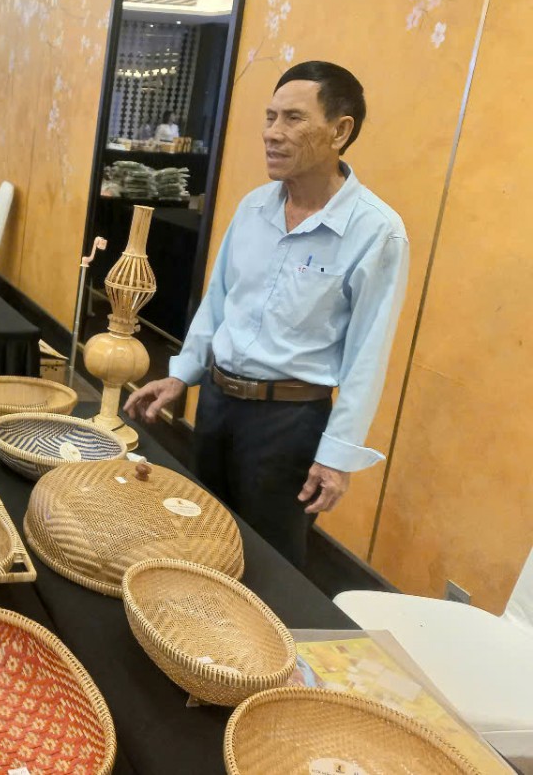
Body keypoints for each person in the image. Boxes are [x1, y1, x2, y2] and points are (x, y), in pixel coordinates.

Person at [125, 61, 409, 568]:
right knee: (196, 535)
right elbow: (219, 302)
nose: (272, 133)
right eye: (270, 116)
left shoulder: (376, 231)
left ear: (340, 131)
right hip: (217, 403)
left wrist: (337, 455)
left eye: (293, 119)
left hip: (289, 423)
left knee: (268, 563)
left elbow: (368, 355)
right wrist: (182, 375)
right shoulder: (254, 207)